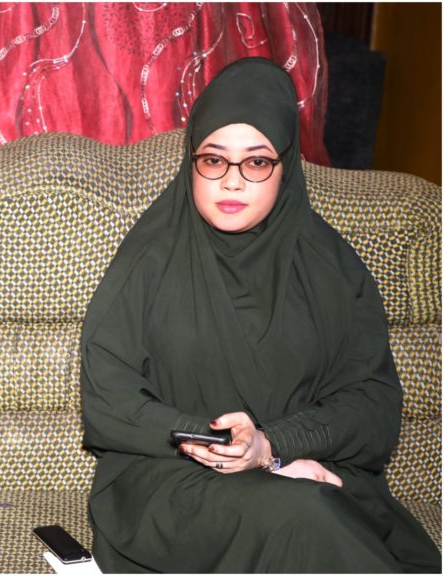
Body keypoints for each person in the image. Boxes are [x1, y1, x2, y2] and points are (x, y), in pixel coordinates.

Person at [79, 57, 441, 572]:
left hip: (305, 469)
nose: (232, 181)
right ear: (192, 160)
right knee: (301, 515)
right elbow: (107, 400)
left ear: (286, 164)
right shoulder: (148, 259)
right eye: (214, 159)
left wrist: (274, 447)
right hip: (173, 482)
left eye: (256, 162)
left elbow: (372, 406)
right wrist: (230, 446)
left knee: (311, 509)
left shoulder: (332, 267)